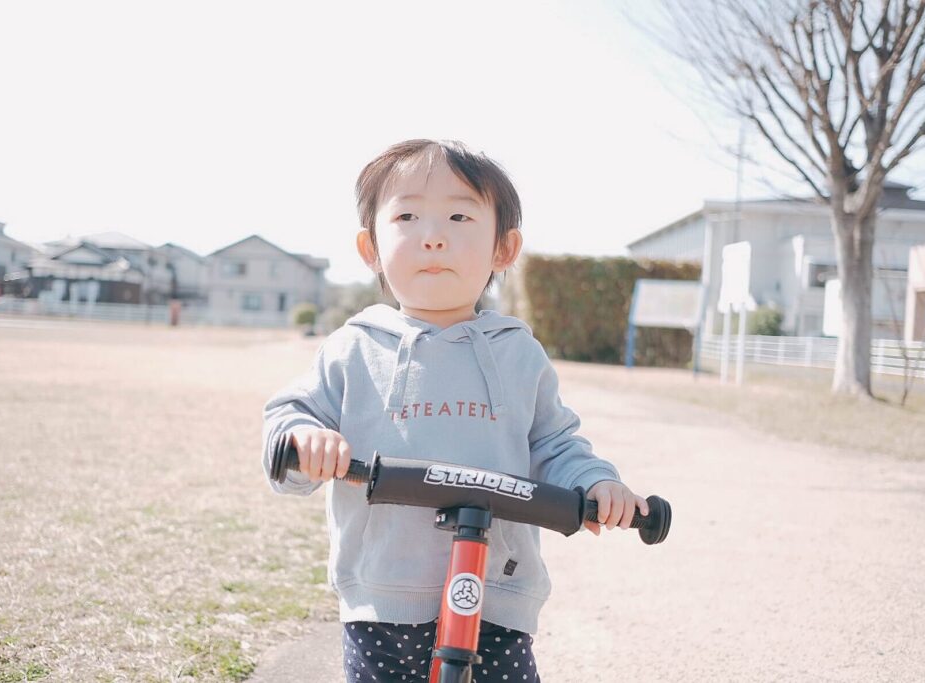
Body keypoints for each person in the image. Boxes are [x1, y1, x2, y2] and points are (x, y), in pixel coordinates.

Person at [262, 139, 648, 682]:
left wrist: (597, 484)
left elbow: (556, 444)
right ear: (370, 247)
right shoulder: (354, 349)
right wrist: (306, 440)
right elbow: (290, 416)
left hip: (497, 594)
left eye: (460, 215)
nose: (433, 236)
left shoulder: (518, 353)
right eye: (407, 215)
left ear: (503, 249)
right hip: (384, 595)